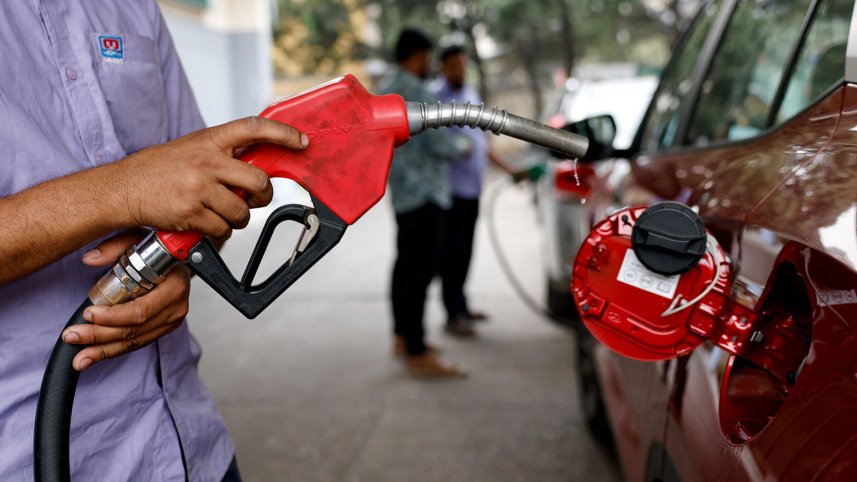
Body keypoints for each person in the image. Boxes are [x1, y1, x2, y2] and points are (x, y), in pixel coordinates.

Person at [0, 2, 307, 480]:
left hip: (190, 446)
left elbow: (199, 201)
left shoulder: (134, 8)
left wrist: (176, 262)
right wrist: (120, 190)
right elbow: (143, 184)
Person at [375, 29, 472, 378]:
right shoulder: (418, 93)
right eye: (428, 56)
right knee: (419, 273)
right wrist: (464, 146)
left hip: (402, 194)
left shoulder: (385, 89)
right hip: (427, 196)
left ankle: (403, 337)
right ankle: (417, 351)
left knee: (405, 268)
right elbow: (440, 144)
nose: (430, 63)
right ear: (417, 55)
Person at [431, 45, 526, 337]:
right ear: (442, 67)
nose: (459, 70)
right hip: (450, 191)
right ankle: (453, 314)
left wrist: (509, 169)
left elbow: (481, 142)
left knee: (464, 251)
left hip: (472, 189)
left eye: (462, 64)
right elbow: (435, 146)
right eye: (453, 65)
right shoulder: (434, 98)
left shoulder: (470, 93)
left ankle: (461, 304)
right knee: (453, 253)